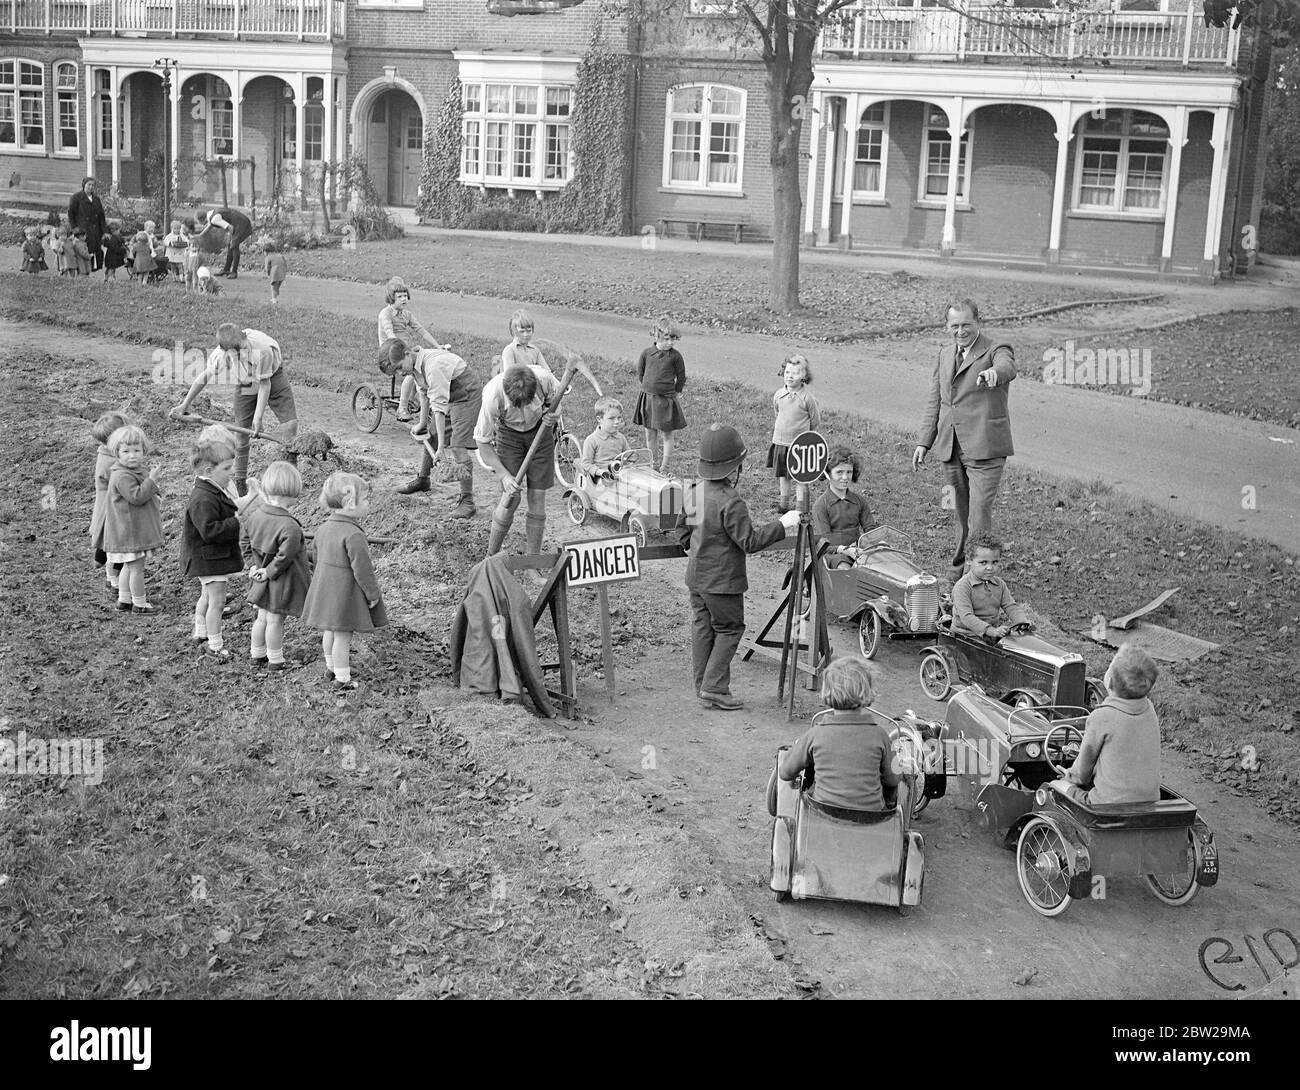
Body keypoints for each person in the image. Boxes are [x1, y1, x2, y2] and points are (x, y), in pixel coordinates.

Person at [682, 424, 800, 710]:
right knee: (729, 628)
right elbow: (749, 541)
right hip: (723, 583)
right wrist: (782, 525)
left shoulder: (693, 490)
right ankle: (715, 687)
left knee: (702, 627)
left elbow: (683, 534)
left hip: (696, 578)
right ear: (733, 468)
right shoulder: (731, 501)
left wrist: (698, 548)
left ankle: (703, 685)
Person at [913, 298, 1017, 579]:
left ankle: (980, 576)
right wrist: (925, 442)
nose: (961, 331)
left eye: (966, 325)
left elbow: (1007, 367)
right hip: (950, 447)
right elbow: (936, 401)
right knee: (959, 514)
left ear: (978, 322)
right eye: (955, 325)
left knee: (979, 513)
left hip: (985, 448)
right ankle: (959, 571)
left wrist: (995, 373)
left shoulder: (996, 349)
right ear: (947, 326)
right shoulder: (944, 354)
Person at [170, 324, 299, 496]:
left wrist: (258, 419)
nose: (243, 354)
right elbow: (204, 377)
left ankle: (290, 476)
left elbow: (265, 385)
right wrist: (184, 405)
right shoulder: (219, 356)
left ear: (245, 338)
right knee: (241, 433)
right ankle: (240, 482)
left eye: (244, 349)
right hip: (245, 380)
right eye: (236, 354)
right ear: (225, 352)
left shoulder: (263, 350)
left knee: (290, 426)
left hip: (272, 376)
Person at [779, 656, 902, 812]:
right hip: (871, 817)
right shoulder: (880, 735)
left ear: (827, 692)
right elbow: (893, 779)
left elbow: (785, 772)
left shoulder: (816, 734)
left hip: (822, 813)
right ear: (867, 692)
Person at [301, 472, 388, 691]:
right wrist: (372, 594)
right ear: (350, 503)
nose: (369, 503)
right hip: (344, 593)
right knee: (343, 635)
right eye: (366, 499)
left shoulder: (322, 529)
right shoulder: (354, 535)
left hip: (325, 589)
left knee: (329, 631)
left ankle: (331, 667)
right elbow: (363, 570)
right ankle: (343, 678)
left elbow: (316, 558)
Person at [179, 430, 258, 659]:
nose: (232, 472)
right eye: (226, 468)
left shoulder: (209, 489)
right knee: (217, 601)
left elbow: (229, 507)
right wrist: (237, 523)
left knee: (206, 596)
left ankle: (201, 632)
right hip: (209, 558)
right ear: (208, 471)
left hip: (207, 558)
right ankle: (215, 645)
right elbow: (210, 530)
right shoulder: (203, 498)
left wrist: (247, 501)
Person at [384, 340, 481, 519]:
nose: (400, 373)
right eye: (396, 372)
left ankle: (467, 502)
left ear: (407, 354)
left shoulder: (432, 367)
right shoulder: (415, 366)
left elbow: (439, 408)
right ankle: (423, 479)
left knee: (458, 446)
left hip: (466, 393)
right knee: (432, 435)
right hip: (449, 392)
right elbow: (424, 393)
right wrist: (422, 424)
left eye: (399, 368)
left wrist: (442, 448)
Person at [475, 360, 562, 557]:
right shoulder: (492, 397)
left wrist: (554, 414)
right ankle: (491, 557)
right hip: (509, 437)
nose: (523, 409)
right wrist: (504, 476)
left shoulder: (545, 379)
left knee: (537, 496)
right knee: (510, 498)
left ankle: (532, 563)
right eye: (518, 405)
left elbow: (557, 403)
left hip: (541, 432)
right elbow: (482, 443)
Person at [1057, 643, 1161, 805]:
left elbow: (1081, 775)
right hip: (1149, 803)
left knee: (1056, 786)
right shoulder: (1149, 709)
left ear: (1110, 681)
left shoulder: (1101, 716)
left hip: (1104, 807)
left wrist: (1069, 776)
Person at [244, 461, 311, 671]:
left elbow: (244, 541)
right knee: (275, 620)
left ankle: (257, 654)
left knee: (261, 618)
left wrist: (252, 566)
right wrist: (269, 571)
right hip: (279, 581)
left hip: (259, 578)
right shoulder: (289, 526)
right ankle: (275, 660)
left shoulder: (255, 516)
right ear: (293, 494)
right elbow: (285, 556)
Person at [103, 424, 164, 614]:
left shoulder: (130, 471)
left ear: (144, 451)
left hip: (128, 531)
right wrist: (152, 481)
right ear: (117, 453)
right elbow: (137, 497)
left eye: (137, 450)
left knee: (128, 568)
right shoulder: (122, 476)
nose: (132, 455)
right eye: (126, 451)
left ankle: (124, 599)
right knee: (136, 569)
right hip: (130, 533)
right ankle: (139, 603)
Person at [377, 277, 439, 421]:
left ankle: (413, 398)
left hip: (403, 350)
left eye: (405, 296)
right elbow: (390, 336)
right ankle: (402, 408)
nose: (404, 299)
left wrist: (437, 346)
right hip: (390, 353)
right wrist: (405, 351)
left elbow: (421, 330)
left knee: (421, 363)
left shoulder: (406, 314)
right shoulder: (385, 314)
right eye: (399, 297)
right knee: (412, 371)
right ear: (391, 298)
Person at [950, 531, 1032, 639]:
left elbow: (1010, 606)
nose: (990, 567)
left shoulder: (999, 584)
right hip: (966, 635)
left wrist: (1021, 620)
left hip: (991, 634)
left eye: (994, 562)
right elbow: (967, 617)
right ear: (969, 560)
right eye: (983, 562)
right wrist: (990, 630)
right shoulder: (963, 587)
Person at [632, 316, 687, 474]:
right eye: (667, 339)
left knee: (667, 434)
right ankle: (653, 463)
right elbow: (641, 373)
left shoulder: (675, 356)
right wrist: (649, 388)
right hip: (649, 399)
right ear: (656, 336)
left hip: (666, 401)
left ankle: (665, 466)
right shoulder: (647, 353)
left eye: (673, 339)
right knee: (650, 433)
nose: (671, 343)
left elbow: (681, 376)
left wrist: (675, 391)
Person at [770, 354, 821, 513]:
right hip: (781, 442)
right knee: (783, 476)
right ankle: (783, 504)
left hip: (800, 446)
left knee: (801, 478)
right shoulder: (779, 394)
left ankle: (801, 508)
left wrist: (806, 436)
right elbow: (777, 412)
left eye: (796, 373)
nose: (790, 376)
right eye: (787, 372)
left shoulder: (807, 398)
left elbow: (815, 419)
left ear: (804, 376)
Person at [811, 446, 877, 568]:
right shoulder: (820, 505)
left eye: (849, 472)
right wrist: (845, 550)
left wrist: (868, 544)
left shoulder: (859, 501)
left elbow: (870, 530)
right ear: (828, 473)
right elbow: (825, 543)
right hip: (833, 554)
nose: (845, 477)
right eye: (839, 472)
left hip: (858, 552)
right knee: (844, 568)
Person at [89, 411, 131, 592]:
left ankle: (110, 574)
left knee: (110, 547)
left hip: (107, 509)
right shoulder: (112, 463)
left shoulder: (106, 455)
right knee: (116, 548)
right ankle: (116, 582)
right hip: (111, 512)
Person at [575, 397, 635, 484]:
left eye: (619, 418)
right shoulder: (592, 440)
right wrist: (600, 472)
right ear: (599, 419)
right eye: (612, 418)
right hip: (602, 477)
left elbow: (629, 455)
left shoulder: (621, 438)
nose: (617, 421)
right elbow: (586, 463)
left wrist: (632, 460)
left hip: (618, 473)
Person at [67, 176, 106, 270]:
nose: (91, 187)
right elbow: (71, 213)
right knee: (83, 250)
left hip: (95, 229)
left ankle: (92, 268)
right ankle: (83, 270)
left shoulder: (96, 199)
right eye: (89, 185)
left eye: (93, 185)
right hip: (83, 229)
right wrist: (74, 228)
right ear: (84, 185)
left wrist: (104, 230)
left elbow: (101, 215)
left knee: (94, 249)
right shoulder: (76, 197)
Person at [208, 207, 253, 277]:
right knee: (230, 245)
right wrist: (198, 236)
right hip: (238, 222)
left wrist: (231, 236)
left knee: (234, 246)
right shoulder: (211, 213)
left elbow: (230, 227)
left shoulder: (214, 219)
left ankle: (234, 272)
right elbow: (208, 227)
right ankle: (226, 269)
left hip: (241, 223)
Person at [264, 241, 288, 306]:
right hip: (282, 273)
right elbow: (285, 264)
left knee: (273, 287)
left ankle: (274, 299)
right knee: (277, 286)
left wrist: (268, 274)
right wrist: (284, 273)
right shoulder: (280, 255)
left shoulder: (268, 257)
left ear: (266, 252)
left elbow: (267, 268)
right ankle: (275, 297)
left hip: (275, 274)